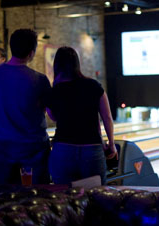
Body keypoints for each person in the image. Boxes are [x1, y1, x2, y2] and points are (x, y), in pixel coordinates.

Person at [0, 29, 52, 185]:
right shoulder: (39, 79)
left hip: (4, 143)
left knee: (5, 196)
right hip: (34, 145)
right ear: (31, 52)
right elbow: (49, 111)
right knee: (39, 194)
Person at [47, 47, 117, 185]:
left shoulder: (55, 90)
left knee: (64, 197)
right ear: (77, 63)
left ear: (57, 65)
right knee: (96, 195)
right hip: (91, 149)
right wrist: (112, 144)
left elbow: (53, 117)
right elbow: (107, 116)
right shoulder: (93, 85)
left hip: (63, 149)